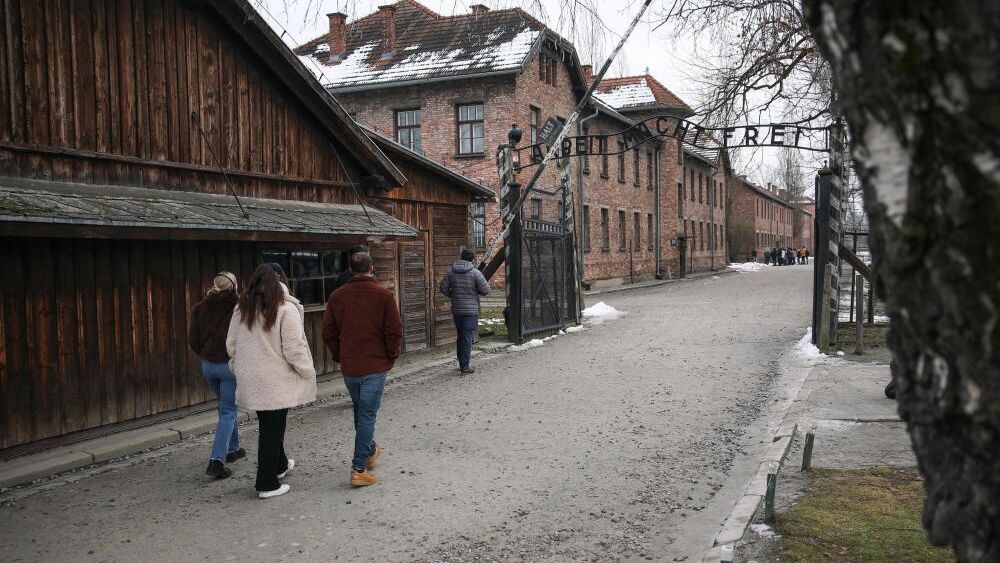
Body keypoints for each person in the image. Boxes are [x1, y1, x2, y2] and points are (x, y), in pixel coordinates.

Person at [227, 263, 317, 499]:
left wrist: (236, 367)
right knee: (271, 430)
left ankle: (280, 465)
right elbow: (294, 348)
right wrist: (307, 371)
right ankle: (266, 483)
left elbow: (231, 345)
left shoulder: (241, 310)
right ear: (281, 282)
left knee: (271, 425)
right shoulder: (285, 309)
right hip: (277, 379)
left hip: (251, 379)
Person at [322, 252, 402, 488]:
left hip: (350, 365)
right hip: (375, 364)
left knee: (360, 411)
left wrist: (339, 353)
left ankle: (369, 451)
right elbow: (394, 331)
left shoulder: (337, 297)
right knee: (367, 414)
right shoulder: (384, 296)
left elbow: (328, 332)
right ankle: (358, 468)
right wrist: (391, 354)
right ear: (372, 269)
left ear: (350, 269)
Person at [188, 271, 244, 480]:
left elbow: (193, 340)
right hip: (229, 366)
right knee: (229, 410)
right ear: (234, 287)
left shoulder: (200, 308)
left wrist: (205, 353)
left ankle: (233, 448)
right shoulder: (238, 309)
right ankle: (216, 461)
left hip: (208, 366)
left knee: (225, 407)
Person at [439, 249, 492, 374]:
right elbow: (486, 290)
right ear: (472, 259)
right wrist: (475, 291)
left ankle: (461, 361)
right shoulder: (475, 273)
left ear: (461, 258)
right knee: (467, 337)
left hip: (457, 310)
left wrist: (453, 295)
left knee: (460, 335)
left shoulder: (451, 271)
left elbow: (443, 288)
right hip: (470, 311)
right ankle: (465, 366)